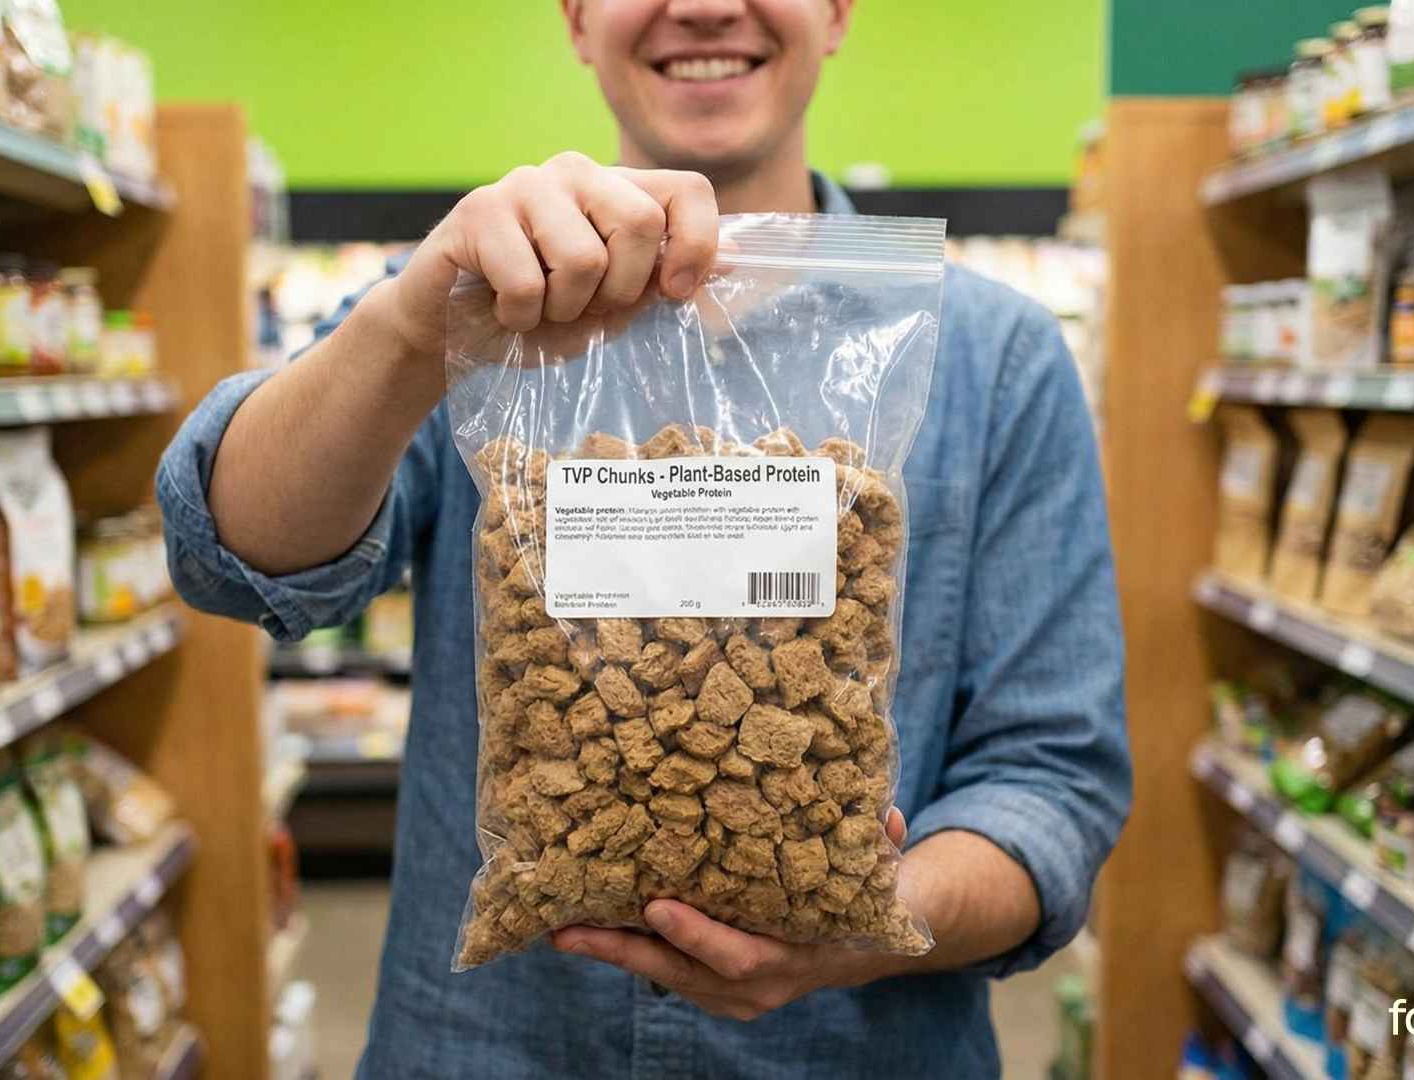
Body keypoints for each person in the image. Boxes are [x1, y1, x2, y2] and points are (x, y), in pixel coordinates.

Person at [157, 1, 1130, 1075]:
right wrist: (404, 329)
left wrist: (867, 913)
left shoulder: (998, 358)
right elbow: (230, 556)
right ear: (575, 16)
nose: (706, 5)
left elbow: (1056, 782)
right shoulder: (475, 305)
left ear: (840, 10)